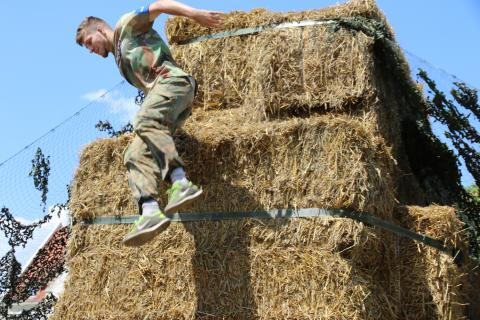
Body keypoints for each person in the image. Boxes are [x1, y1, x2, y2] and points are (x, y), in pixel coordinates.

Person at [76, 1, 224, 246]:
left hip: (174, 83)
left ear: (101, 30)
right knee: (133, 154)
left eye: (90, 43)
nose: (92, 51)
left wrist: (194, 14)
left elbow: (160, 5)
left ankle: (180, 182)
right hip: (168, 100)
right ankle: (150, 211)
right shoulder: (120, 60)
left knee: (143, 120)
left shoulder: (126, 26)